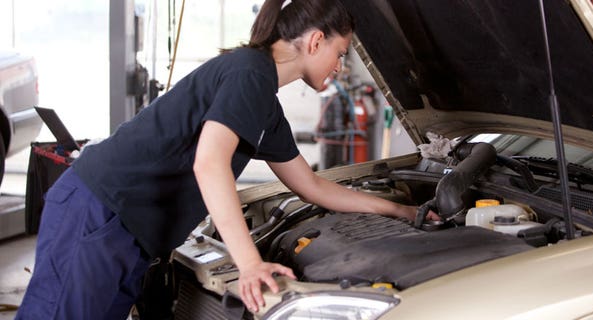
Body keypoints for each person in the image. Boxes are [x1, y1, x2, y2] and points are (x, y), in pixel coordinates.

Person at [17, 0, 439, 318]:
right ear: (315, 41)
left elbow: (311, 187)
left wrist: (401, 209)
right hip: (97, 214)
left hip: (129, 233)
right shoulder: (249, 73)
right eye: (340, 53)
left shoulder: (265, 108)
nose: (340, 67)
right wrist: (250, 264)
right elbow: (209, 162)